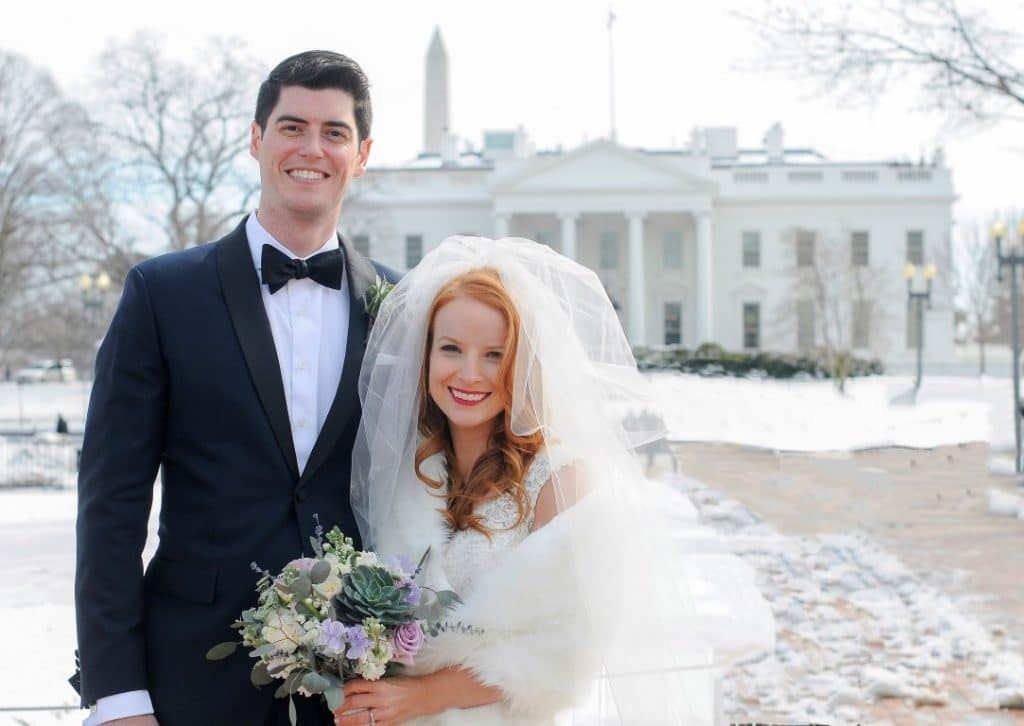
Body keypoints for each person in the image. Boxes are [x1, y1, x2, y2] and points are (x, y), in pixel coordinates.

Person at [73, 50, 397, 726]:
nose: (312, 148)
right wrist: (118, 695)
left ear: (361, 154)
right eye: (291, 126)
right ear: (256, 140)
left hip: (358, 690)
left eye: (334, 132)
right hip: (189, 680)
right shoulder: (161, 294)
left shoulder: (400, 305)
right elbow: (111, 505)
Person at [342, 237, 775, 725]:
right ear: (424, 357)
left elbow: (565, 652)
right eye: (451, 349)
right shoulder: (407, 472)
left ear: (522, 364)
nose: (469, 373)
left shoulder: (560, 479)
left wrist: (423, 697)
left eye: (493, 355)